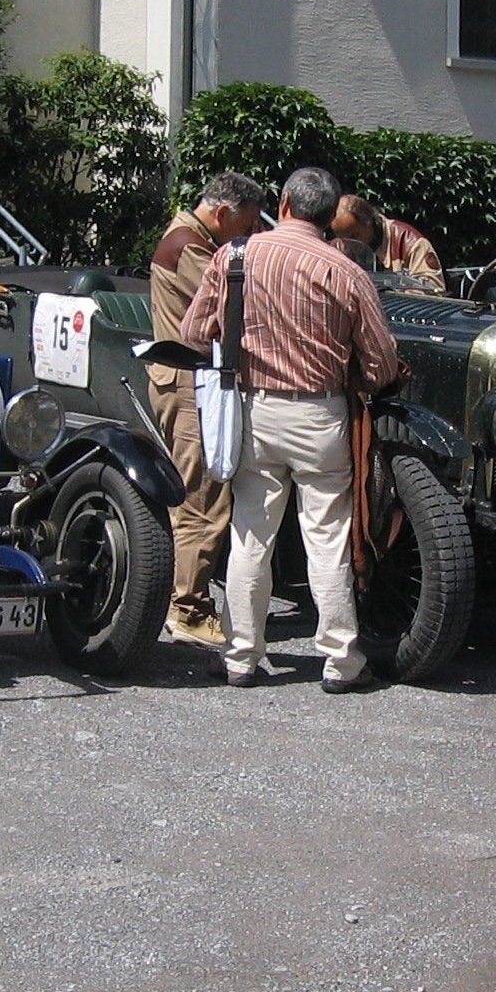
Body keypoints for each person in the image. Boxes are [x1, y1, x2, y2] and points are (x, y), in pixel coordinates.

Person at [181, 166, 402, 692]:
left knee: (250, 535)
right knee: (326, 539)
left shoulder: (234, 257)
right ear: (329, 218)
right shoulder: (346, 270)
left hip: (254, 411)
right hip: (321, 417)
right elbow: (381, 366)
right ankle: (341, 662)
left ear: (282, 205)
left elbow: (193, 334)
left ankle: (240, 657)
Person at [147, 172, 270, 648]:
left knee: (201, 496)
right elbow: (234, 304)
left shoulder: (187, 237)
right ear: (221, 214)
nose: (250, 233)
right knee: (203, 501)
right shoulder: (190, 248)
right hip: (190, 384)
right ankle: (188, 610)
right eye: (246, 224)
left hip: (187, 381)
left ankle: (188, 601)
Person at [331, 194, 445, 293]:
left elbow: (434, 289)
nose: (348, 245)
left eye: (354, 236)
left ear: (368, 221)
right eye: (343, 239)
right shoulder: (342, 247)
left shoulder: (412, 244)